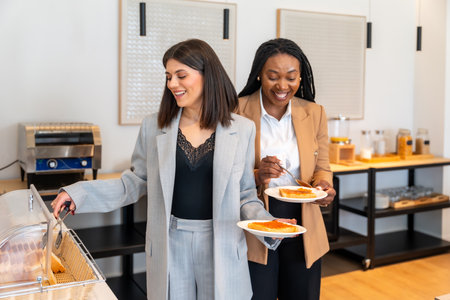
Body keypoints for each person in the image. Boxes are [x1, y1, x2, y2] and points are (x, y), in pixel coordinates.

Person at [51, 39, 283, 300]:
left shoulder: (242, 128)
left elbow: (245, 195)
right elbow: (134, 182)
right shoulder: (154, 127)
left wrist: (269, 224)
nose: (172, 83)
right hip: (171, 242)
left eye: (181, 75)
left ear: (209, 76)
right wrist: (79, 194)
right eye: (169, 76)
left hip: (222, 240)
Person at [237, 38, 336, 300]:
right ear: (259, 74)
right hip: (256, 220)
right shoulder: (236, 110)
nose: (282, 86)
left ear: (300, 79)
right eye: (273, 76)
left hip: (303, 221)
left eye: (291, 77)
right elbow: (223, 174)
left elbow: (323, 168)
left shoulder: (314, 112)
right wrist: (258, 174)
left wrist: (324, 186)